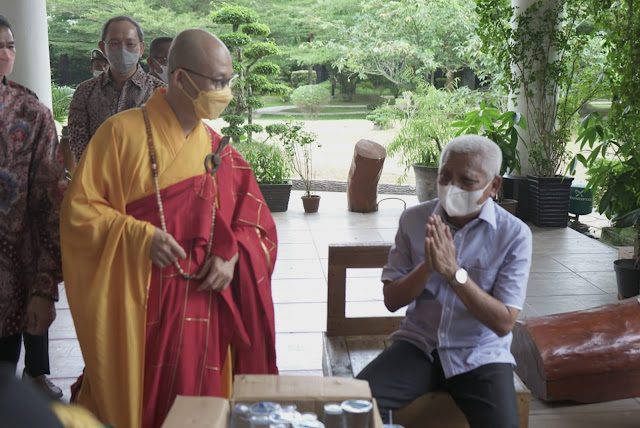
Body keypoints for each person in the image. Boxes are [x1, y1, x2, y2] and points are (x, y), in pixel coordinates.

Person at [61, 28, 278, 428]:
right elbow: (78, 214)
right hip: (140, 302)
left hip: (205, 304)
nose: (225, 91)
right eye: (218, 81)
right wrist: (137, 236)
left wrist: (232, 258)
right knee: (142, 405)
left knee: (203, 407)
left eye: (228, 81)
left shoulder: (217, 149)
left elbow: (256, 225)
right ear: (180, 79)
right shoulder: (119, 136)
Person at [357, 135, 532, 428]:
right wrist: (428, 267)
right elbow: (392, 300)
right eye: (445, 176)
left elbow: (503, 322)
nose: (452, 187)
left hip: (481, 354)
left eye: (467, 180)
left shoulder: (513, 234)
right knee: (355, 406)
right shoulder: (414, 220)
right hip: (420, 346)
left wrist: (453, 273)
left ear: (493, 186)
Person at [0, 14, 66, 396]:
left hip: (9, 282)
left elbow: (48, 204)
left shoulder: (30, 113)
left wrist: (44, 286)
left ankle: (36, 373)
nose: (6, 55)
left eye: (10, 46)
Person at [67, 15, 165, 163]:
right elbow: (79, 145)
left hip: (150, 182)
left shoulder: (161, 93)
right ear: (103, 48)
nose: (122, 49)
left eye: (130, 44)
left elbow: (169, 144)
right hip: (100, 181)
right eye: (114, 43)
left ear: (141, 49)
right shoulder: (85, 92)